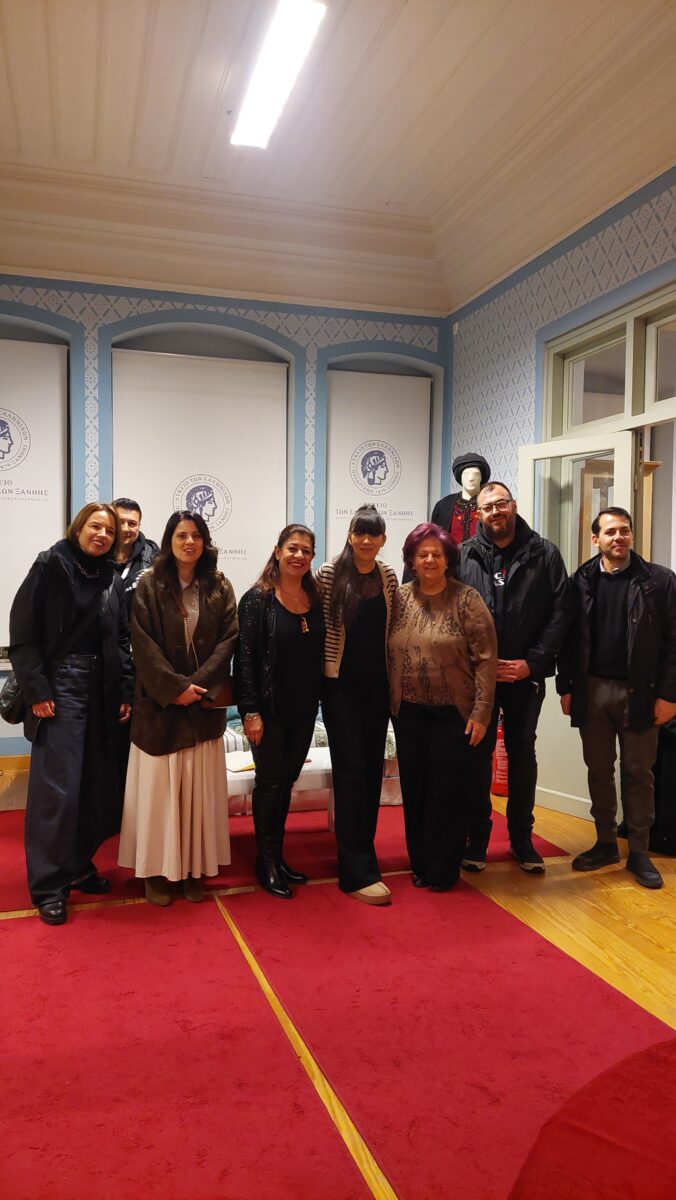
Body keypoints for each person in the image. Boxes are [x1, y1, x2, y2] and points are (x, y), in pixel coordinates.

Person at [9, 503, 133, 925]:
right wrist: (37, 690)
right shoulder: (51, 565)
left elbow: (121, 639)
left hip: (103, 691)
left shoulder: (112, 577)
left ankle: (78, 865)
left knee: (97, 788)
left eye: (109, 530)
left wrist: (125, 691)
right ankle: (49, 886)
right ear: (78, 528)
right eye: (95, 526)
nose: (102, 534)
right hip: (59, 690)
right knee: (57, 793)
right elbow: (23, 633)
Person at [118, 511, 237, 905]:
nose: (190, 542)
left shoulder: (219, 585)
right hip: (160, 709)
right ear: (169, 540)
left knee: (198, 798)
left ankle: (193, 868)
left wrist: (196, 686)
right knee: (159, 797)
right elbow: (141, 643)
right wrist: (175, 688)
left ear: (205, 542)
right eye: (182, 535)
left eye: (196, 536)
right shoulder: (149, 583)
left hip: (202, 708)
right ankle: (154, 871)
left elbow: (229, 638)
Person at [557, 507, 676, 889]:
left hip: (641, 692)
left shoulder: (659, 581)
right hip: (592, 690)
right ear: (596, 539)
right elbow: (566, 640)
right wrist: (566, 687)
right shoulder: (580, 581)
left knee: (639, 772)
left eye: (624, 530)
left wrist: (669, 695)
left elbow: (674, 643)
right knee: (599, 769)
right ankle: (606, 843)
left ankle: (639, 850)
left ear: (631, 536)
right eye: (610, 532)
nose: (618, 537)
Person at [458, 481, 573, 872]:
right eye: (488, 507)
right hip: (478, 678)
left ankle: (522, 839)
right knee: (476, 756)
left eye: (501, 504)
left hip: (525, 675)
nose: (496, 511)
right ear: (479, 514)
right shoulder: (464, 555)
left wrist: (532, 663)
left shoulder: (545, 553)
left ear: (514, 505)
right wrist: (476, 663)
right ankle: (476, 839)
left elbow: (561, 613)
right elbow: (453, 613)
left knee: (522, 754)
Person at [389, 523, 497, 890]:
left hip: (455, 713)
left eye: (437, 554)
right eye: (423, 555)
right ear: (412, 561)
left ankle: (443, 869)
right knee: (415, 789)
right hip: (408, 712)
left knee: (446, 792)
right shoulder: (398, 598)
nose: (430, 560)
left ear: (448, 559)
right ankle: (420, 863)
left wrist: (482, 712)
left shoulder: (467, 600)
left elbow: (486, 659)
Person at [234, 524, 324, 898]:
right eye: (292, 548)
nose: (298, 555)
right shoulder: (257, 599)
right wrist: (250, 712)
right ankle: (267, 862)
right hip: (269, 711)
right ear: (277, 551)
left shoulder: (315, 597)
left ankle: (278, 856)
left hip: (304, 710)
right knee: (270, 784)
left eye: (306, 550)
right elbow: (244, 661)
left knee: (286, 782)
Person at [316, 505, 398, 905]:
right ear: (350, 535)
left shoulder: (387, 576)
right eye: (359, 533)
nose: (366, 540)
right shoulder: (331, 574)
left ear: (383, 540)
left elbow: (395, 627)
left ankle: (363, 853)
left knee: (371, 773)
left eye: (373, 534)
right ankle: (355, 872)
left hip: (378, 687)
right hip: (340, 687)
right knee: (350, 772)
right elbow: (318, 626)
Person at [112, 497, 159, 619]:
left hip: (138, 628)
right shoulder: (96, 554)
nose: (125, 528)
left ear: (139, 525)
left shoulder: (154, 558)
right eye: (120, 522)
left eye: (132, 524)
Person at [431, 453, 491, 545]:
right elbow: (434, 538)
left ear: (481, 477)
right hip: (451, 554)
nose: (471, 478)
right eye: (466, 474)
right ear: (460, 477)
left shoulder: (490, 503)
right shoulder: (443, 505)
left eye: (476, 474)